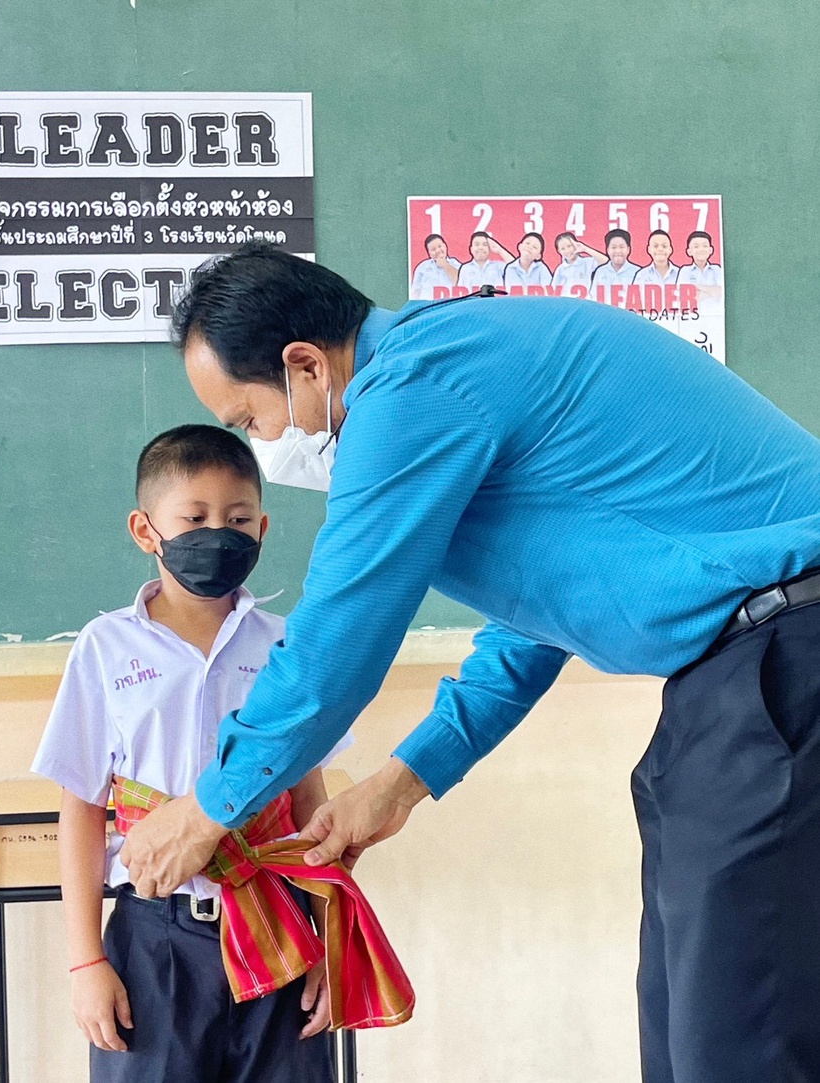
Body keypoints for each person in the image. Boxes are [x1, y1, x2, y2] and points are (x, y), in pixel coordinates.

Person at [119, 242, 820, 1083]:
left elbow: (338, 639)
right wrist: (401, 781)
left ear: (304, 366)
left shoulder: (412, 386)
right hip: (741, 676)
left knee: (737, 1035)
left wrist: (206, 810)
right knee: (684, 1026)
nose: (263, 443)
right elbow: (534, 627)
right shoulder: (455, 365)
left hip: (783, 660)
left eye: (250, 420)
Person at [32, 424, 350, 1083]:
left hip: (278, 924)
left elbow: (309, 801)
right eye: (195, 518)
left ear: (262, 529)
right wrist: (86, 961)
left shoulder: (286, 646)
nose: (219, 534)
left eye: (238, 519)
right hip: (155, 938)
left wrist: (330, 937)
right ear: (146, 530)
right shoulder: (105, 648)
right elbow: (82, 809)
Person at [676, 229, 723, 313]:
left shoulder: (717, 269)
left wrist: (697, 287)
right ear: (689, 251)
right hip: (692, 315)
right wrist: (711, 292)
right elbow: (685, 296)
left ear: (711, 250)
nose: (701, 249)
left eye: (705, 246)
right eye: (696, 246)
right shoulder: (685, 270)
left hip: (715, 314)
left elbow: (721, 291)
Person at [589, 228, 640, 299]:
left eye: (621, 247)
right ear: (608, 250)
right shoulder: (600, 271)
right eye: (613, 247)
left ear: (628, 249)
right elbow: (593, 298)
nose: (618, 251)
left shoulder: (638, 272)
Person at [409, 233, 461, 298]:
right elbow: (415, 292)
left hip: (449, 303)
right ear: (429, 253)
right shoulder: (422, 267)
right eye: (433, 249)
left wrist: (445, 265)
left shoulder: (455, 264)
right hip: (428, 303)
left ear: (445, 246)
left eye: (440, 246)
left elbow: (461, 283)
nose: (438, 251)